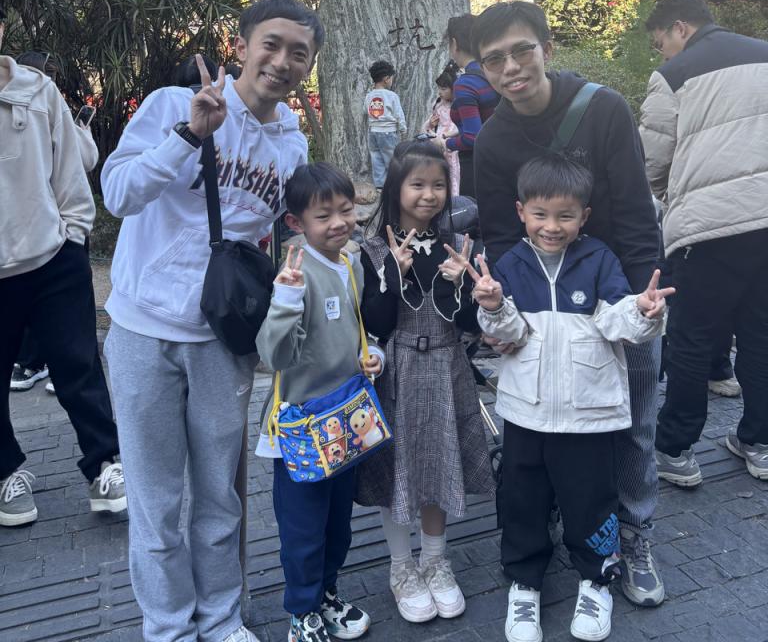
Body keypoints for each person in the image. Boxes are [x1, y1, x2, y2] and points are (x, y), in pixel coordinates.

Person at [100, 0, 323, 642]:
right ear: (242, 45)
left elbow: (286, 231)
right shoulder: (174, 105)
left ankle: (222, 619)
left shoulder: (292, 144)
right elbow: (118, 194)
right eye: (271, 44)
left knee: (220, 496)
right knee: (156, 501)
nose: (281, 61)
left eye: (299, 53)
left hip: (223, 341)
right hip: (143, 330)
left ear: (308, 67)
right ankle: (169, 627)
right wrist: (191, 135)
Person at [471, 1, 665, 609]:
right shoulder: (493, 139)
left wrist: (644, 302)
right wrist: (506, 315)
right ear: (484, 69)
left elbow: (635, 211)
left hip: (617, 297)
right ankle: (564, 526)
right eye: (494, 59)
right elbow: (501, 236)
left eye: (521, 50)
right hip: (542, 311)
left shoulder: (603, 109)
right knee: (543, 424)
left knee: (632, 425)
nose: (510, 67)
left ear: (547, 49)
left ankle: (633, 535)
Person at [468, 155, 669, 642]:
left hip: (589, 415)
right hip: (526, 412)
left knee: (592, 501)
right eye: (540, 214)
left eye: (565, 215)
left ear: (584, 216)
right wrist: (492, 307)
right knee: (523, 500)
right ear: (521, 212)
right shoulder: (511, 264)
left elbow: (616, 320)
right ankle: (524, 581)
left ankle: (597, 578)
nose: (552, 226)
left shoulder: (599, 258)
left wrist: (643, 312)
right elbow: (509, 334)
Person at [357, 140, 494, 624]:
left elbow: (470, 325)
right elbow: (375, 322)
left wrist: (466, 287)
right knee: (397, 468)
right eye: (417, 184)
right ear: (396, 188)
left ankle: (435, 560)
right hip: (397, 368)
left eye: (439, 185)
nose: (429, 194)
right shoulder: (373, 249)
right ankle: (401, 567)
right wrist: (391, 276)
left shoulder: (456, 246)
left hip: (446, 364)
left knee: (439, 461)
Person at [0, 9, 124, 528]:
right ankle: (5, 473)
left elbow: (70, 168)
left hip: (54, 259)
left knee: (79, 367)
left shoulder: (37, 89)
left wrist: (73, 235)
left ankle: (105, 465)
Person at [639, 0, 768, 485]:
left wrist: (666, 197)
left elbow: (651, 161)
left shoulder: (674, 75)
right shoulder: (764, 55)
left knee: (691, 339)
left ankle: (675, 449)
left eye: (660, 43)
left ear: (680, 28)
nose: (662, 54)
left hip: (708, 229)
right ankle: (759, 442)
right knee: (760, 334)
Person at [255, 163, 384, 642]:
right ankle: (302, 613)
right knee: (303, 528)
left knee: (337, 525)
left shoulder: (350, 263)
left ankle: (326, 594)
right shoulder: (295, 273)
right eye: (323, 215)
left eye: (346, 211)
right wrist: (286, 301)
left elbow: (357, 329)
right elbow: (274, 356)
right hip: (300, 428)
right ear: (296, 222)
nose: (338, 223)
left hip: (344, 420)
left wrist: (372, 355)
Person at [10, 50, 99, 394]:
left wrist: (74, 234)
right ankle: (45, 364)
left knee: (47, 307)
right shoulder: (42, 100)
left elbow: (82, 162)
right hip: (48, 227)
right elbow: (89, 159)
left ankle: (39, 364)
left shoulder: (41, 101)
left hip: (51, 229)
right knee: (61, 307)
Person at [444, 14, 499, 198]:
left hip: (478, 167)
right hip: (502, 159)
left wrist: (445, 143)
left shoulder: (465, 84)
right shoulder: (494, 72)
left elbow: (473, 138)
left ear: (454, 44)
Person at [365, 60, 406, 189]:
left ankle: (380, 186)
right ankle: (395, 185)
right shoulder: (392, 96)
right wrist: (403, 129)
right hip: (388, 132)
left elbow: (365, 111)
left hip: (373, 132)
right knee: (392, 160)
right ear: (386, 79)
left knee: (376, 159)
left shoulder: (369, 96)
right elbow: (399, 114)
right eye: (391, 78)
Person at [422, 64, 460, 195]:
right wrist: (430, 125)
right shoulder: (438, 104)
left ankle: (453, 200)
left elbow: (460, 127)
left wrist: (447, 135)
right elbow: (428, 124)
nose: (440, 92)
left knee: (453, 175)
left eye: (443, 89)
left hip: (451, 145)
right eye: (439, 88)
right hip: (436, 142)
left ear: (453, 89)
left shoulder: (459, 104)